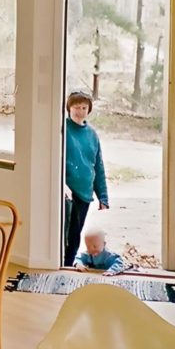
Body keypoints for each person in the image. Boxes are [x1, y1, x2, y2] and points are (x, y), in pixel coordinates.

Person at [63, 90, 109, 266]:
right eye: (76, 107)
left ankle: (67, 265)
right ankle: (60, 262)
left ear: (88, 110)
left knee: (75, 233)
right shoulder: (62, 129)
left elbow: (98, 166)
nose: (79, 111)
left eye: (84, 107)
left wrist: (103, 196)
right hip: (66, 190)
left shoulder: (92, 134)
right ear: (69, 108)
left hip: (84, 192)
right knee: (64, 232)